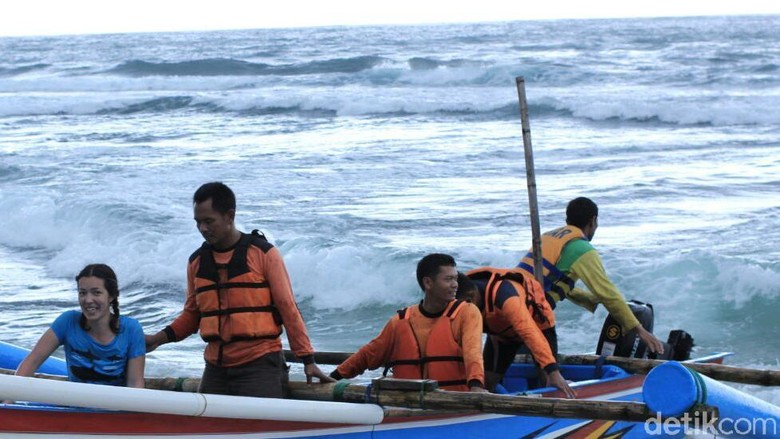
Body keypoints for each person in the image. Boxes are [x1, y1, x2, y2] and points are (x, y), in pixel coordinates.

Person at [145, 182, 332, 398]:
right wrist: (157, 339)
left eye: (209, 221)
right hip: (216, 368)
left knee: (260, 428)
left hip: (260, 365)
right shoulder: (196, 262)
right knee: (207, 428)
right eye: (198, 222)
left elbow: (287, 308)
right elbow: (192, 315)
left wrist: (307, 360)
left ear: (230, 216)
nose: (203, 229)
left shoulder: (263, 254)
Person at [517, 197, 664, 355]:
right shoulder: (582, 249)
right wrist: (640, 331)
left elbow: (548, 282)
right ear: (593, 221)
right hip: (528, 316)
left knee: (497, 368)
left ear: (567, 219)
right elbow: (607, 293)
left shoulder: (547, 237)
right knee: (549, 369)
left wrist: (589, 299)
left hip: (505, 302)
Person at [330, 253, 486, 392]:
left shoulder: (467, 312)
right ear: (428, 283)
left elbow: (473, 353)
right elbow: (369, 354)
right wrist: (334, 377)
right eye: (448, 279)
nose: (455, 285)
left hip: (454, 400)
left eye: (456, 279)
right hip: (408, 402)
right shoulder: (400, 321)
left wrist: (476, 385)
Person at [14, 263, 145, 388]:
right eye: (82, 293)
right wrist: (9, 400)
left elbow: (135, 385)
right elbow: (32, 361)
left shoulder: (131, 329)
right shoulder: (67, 322)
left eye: (96, 292)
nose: (88, 300)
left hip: (114, 409)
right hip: (75, 406)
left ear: (111, 296)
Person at [457, 270, 576, 398]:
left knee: (548, 378)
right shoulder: (457, 295)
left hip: (537, 327)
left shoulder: (505, 296)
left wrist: (553, 371)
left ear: (471, 297)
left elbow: (529, 332)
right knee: (486, 382)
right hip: (501, 334)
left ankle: (553, 403)